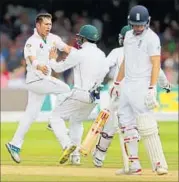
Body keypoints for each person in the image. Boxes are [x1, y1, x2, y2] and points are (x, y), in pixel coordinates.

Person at [93, 20, 171, 175]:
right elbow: (125, 64)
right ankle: (134, 165)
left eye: (140, 24)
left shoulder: (149, 40)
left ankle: (159, 164)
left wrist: (152, 87)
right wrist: (116, 83)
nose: (137, 28)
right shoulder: (128, 41)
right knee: (127, 126)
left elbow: (156, 66)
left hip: (139, 88)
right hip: (124, 88)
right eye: (135, 25)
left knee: (145, 124)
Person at [5, 13, 72, 163]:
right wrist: (39, 66)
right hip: (36, 79)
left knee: (30, 115)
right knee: (66, 89)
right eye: (46, 24)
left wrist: (80, 55)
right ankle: (53, 121)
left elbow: (66, 48)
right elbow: (31, 58)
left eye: (50, 24)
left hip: (42, 81)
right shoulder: (31, 41)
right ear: (38, 25)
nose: (49, 26)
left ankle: (14, 144)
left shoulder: (53, 38)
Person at [48, 24, 109, 165]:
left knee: (55, 117)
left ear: (84, 39)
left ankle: (67, 145)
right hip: (94, 97)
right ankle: (75, 157)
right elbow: (105, 72)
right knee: (76, 121)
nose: (79, 40)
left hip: (80, 93)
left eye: (80, 37)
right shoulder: (101, 54)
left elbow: (58, 68)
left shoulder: (78, 53)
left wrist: (52, 59)